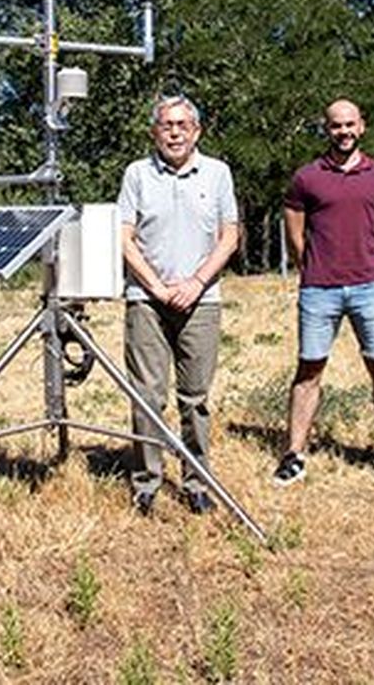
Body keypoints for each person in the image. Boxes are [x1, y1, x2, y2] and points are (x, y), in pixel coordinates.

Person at [273, 99, 374, 486]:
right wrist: (316, 266)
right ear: (326, 129)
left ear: (362, 126)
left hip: (371, 286)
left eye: (350, 124)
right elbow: (295, 235)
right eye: (336, 125)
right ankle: (294, 455)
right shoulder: (306, 178)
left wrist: (366, 262)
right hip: (318, 289)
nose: (344, 132)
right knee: (309, 369)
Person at [117, 95, 240, 515]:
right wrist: (155, 285)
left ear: (196, 131)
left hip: (201, 300)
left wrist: (196, 282)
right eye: (167, 125)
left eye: (182, 125)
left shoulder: (218, 173)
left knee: (195, 398)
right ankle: (146, 484)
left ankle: (196, 480)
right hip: (146, 301)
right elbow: (124, 237)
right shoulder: (136, 174)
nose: (174, 132)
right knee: (147, 396)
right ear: (155, 131)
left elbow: (229, 237)